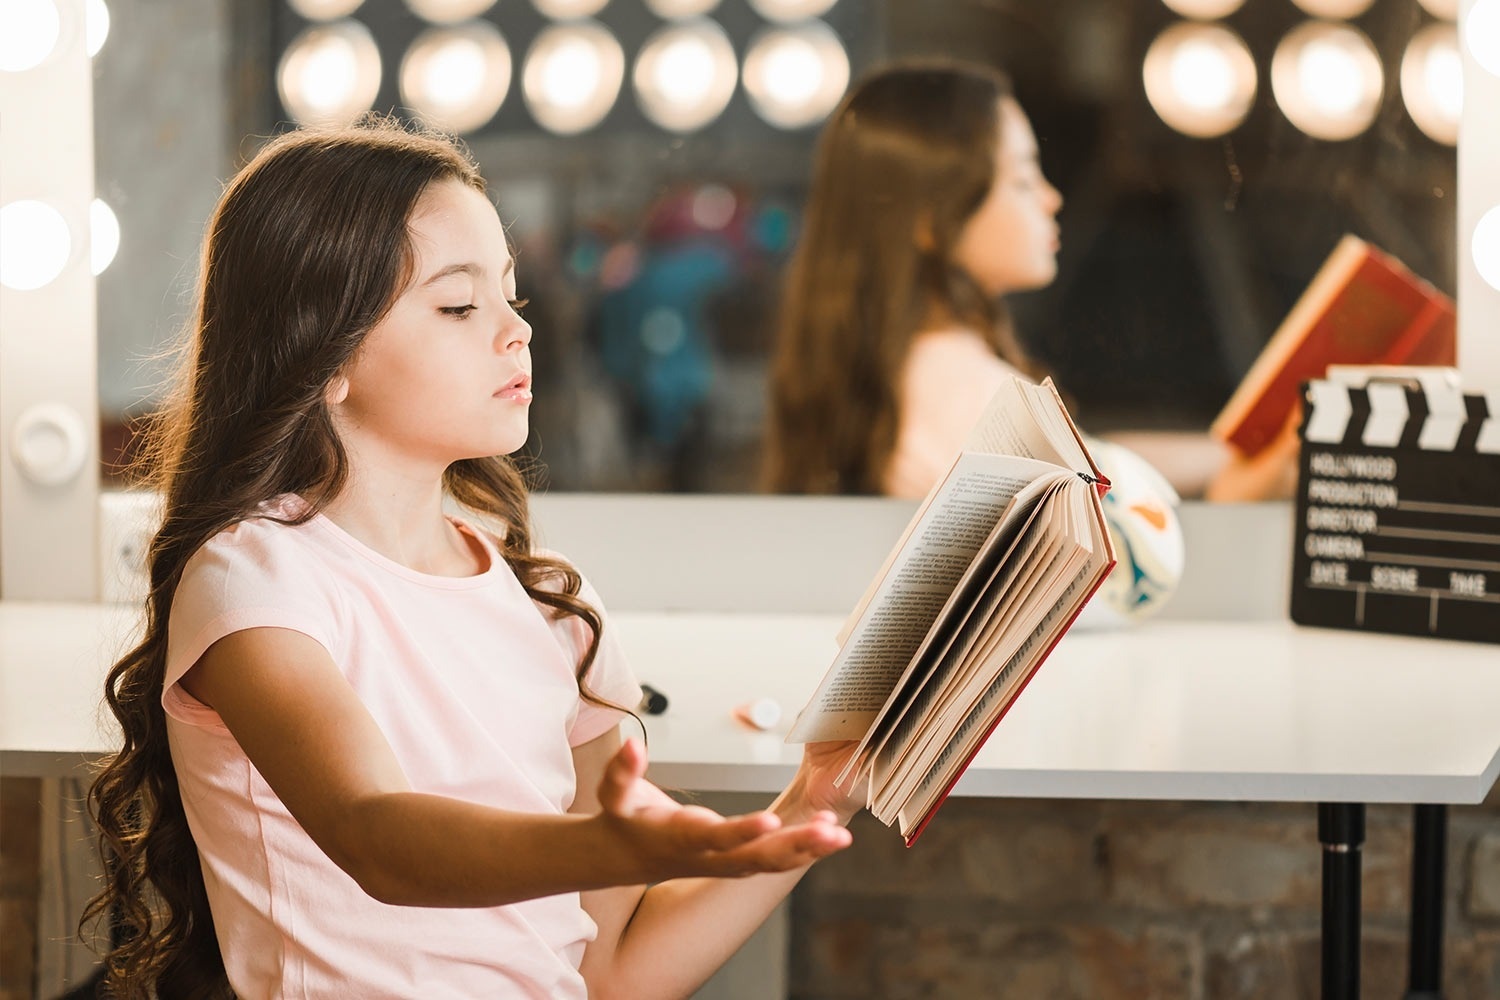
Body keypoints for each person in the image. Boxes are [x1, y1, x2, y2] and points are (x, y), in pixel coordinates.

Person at [83, 118, 860, 1000]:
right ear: (323, 352)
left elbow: (607, 977)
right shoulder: (255, 583)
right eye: (460, 306)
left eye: (512, 296)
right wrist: (602, 846)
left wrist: (811, 808)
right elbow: (380, 837)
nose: (516, 332)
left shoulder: (556, 614)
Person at [762, 58, 1288, 504]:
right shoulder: (971, 393)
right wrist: (1257, 478)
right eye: (1022, 178)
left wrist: (1230, 454)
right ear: (930, 221)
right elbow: (1125, 552)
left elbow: (1094, 456)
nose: (1050, 199)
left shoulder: (908, 365)